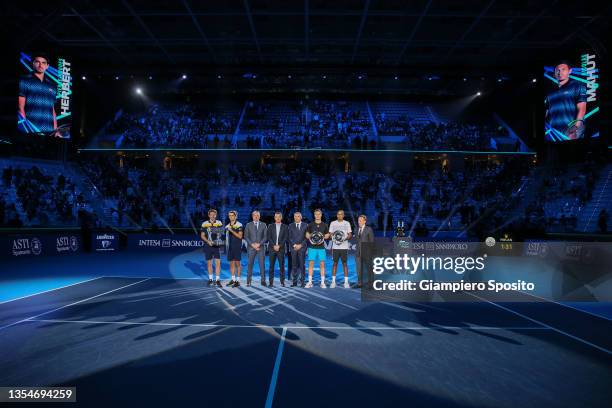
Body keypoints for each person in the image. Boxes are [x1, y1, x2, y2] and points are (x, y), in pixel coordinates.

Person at [545, 60, 587, 141]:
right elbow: (547, 111)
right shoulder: (550, 91)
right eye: (558, 70)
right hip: (552, 133)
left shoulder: (577, 85)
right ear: (554, 73)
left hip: (570, 132)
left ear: (570, 71)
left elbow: (582, 109)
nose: (560, 72)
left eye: (563, 69)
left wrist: (575, 128)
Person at [18, 53, 58, 135]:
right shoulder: (24, 80)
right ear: (33, 64)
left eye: (43, 63)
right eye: (37, 62)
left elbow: (52, 109)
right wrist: (25, 127)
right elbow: (20, 107)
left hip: (49, 130)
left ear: (47, 66)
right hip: (31, 129)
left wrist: (55, 129)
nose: (40, 65)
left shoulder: (52, 85)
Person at [305, 209, 330, 288]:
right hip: (312, 247)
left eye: (319, 214)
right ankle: (309, 282)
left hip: (321, 248)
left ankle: (322, 283)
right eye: (316, 214)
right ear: (314, 215)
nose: (318, 215)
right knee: (311, 264)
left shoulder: (324, 225)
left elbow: (327, 235)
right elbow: (307, 234)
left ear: (321, 215)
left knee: (322, 264)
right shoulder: (310, 225)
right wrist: (310, 237)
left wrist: (322, 236)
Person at [329, 210, 352, 288]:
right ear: (337, 215)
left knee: (345, 264)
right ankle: (333, 282)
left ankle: (346, 283)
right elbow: (330, 234)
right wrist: (335, 238)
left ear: (343, 215)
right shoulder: (333, 223)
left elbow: (350, 235)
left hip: (344, 247)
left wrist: (343, 239)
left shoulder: (347, 223)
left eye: (341, 214)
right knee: (335, 264)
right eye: (338, 214)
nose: (339, 215)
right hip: (335, 247)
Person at [200, 209, 223, 287]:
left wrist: (216, 241)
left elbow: (220, 233)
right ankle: (210, 279)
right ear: (209, 215)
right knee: (209, 264)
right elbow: (202, 235)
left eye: (214, 214)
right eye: (211, 214)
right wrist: (208, 241)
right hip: (208, 246)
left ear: (216, 215)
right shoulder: (204, 224)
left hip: (216, 245)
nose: (213, 216)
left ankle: (217, 280)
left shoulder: (219, 223)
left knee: (218, 264)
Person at [244, 210, 267, 287]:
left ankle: (263, 281)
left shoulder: (263, 225)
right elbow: (246, 236)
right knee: (250, 264)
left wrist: (259, 244)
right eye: (255, 215)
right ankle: (248, 281)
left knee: (262, 265)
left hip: (261, 248)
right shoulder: (248, 225)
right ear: (252, 216)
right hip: (251, 247)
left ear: (259, 216)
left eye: (257, 215)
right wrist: (253, 245)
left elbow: (265, 237)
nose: (256, 216)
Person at [266, 211, 288, 287]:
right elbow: (268, 237)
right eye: (276, 217)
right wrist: (274, 246)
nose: (278, 218)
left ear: (281, 217)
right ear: (274, 217)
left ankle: (282, 282)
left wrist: (279, 246)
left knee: (282, 266)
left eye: (279, 217)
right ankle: (271, 282)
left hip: (281, 249)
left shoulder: (285, 226)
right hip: (272, 249)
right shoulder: (270, 226)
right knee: (271, 266)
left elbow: (285, 238)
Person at [288, 211, 307, 287]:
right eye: (295, 216)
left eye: (298, 216)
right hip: (294, 248)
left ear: (301, 217)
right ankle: (294, 282)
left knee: (302, 265)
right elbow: (289, 237)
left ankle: (302, 282)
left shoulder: (306, 225)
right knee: (294, 265)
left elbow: (306, 238)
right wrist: (294, 245)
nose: (296, 218)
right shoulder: (290, 225)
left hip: (302, 248)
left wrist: (301, 245)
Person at [355, 214, 374, 289]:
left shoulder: (369, 229)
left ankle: (371, 283)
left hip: (367, 253)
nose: (359, 222)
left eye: (360, 220)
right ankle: (360, 283)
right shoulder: (356, 229)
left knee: (369, 269)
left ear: (364, 221)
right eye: (358, 220)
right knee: (359, 269)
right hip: (358, 253)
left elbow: (371, 241)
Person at [225, 210, 243, 287]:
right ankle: (233, 279)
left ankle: (238, 281)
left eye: (232, 215)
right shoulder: (227, 226)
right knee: (231, 264)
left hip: (237, 247)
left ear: (235, 216)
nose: (231, 217)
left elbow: (240, 236)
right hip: (230, 248)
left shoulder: (239, 225)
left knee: (237, 264)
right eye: (230, 215)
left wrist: (231, 230)